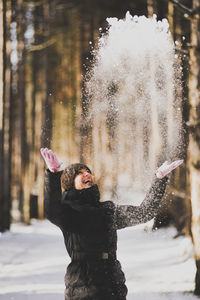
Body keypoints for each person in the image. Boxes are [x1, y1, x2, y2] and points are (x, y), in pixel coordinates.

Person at [40, 147, 183, 300]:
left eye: (87, 171)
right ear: (70, 183)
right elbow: (51, 210)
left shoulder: (107, 211)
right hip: (83, 288)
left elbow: (144, 213)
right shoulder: (69, 213)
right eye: (80, 173)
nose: (86, 174)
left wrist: (159, 179)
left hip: (113, 286)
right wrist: (53, 174)